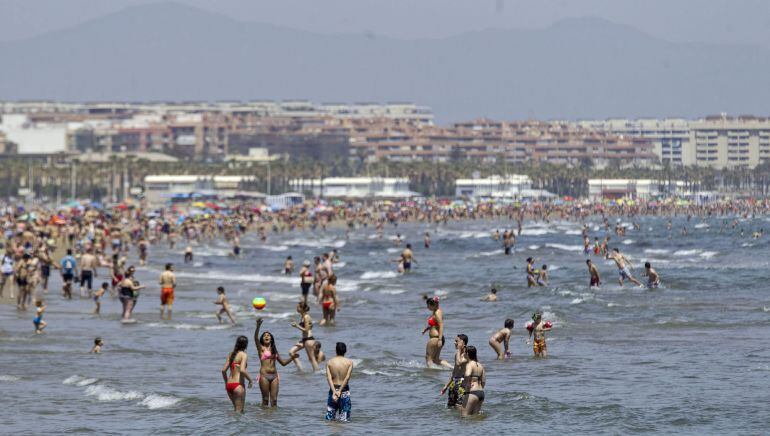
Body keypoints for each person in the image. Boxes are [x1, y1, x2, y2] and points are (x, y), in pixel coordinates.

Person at [253, 318, 295, 407]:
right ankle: (264, 418)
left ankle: (274, 419)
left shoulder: (274, 350)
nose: (267, 336)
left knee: (274, 400)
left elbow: (283, 363)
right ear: (262, 339)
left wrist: (293, 358)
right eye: (264, 335)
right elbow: (255, 338)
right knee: (265, 400)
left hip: (275, 376)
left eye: (268, 335)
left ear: (271, 339)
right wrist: (258, 326)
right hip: (264, 376)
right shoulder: (261, 349)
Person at [221, 335, 254, 413]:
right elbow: (242, 370)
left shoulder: (231, 354)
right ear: (246, 345)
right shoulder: (243, 355)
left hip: (229, 386)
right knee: (239, 412)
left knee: (235, 411)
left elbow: (223, 370)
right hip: (238, 386)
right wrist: (250, 380)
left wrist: (226, 383)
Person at [325, 342, 353, 422]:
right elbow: (347, 378)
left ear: (336, 350)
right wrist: (340, 391)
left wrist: (334, 391)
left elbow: (329, 378)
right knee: (344, 419)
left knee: (330, 417)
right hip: (344, 391)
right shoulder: (349, 362)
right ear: (345, 351)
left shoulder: (329, 362)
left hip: (333, 391)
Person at [288, 301, 320, 372]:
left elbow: (306, 330)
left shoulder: (306, 317)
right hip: (305, 339)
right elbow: (309, 327)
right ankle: (301, 369)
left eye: (298, 307)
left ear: (302, 308)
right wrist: (301, 340)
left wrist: (296, 326)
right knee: (291, 352)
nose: (296, 308)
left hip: (309, 340)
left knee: (311, 359)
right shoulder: (303, 316)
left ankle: (318, 373)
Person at [421, 296, 451, 368]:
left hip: (435, 338)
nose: (427, 307)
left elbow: (441, 325)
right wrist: (426, 329)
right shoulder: (436, 312)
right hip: (438, 338)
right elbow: (435, 324)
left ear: (433, 305)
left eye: (428, 305)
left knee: (428, 357)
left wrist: (440, 340)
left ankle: (430, 374)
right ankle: (452, 368)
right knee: (435, 360)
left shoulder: (437, 313)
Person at [440, 334, 468, 408]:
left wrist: (459, 349)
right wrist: (446, 386)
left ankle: (463, 419)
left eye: (456, 341)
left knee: (460, 406)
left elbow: (459, 363)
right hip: (454, 382)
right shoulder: (457, 355)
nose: (454, 343)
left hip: (463, 383)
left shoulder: (467, 354)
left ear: (463, 343)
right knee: (451, 406)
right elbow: (454, 371)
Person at [460, 346, 486, 417]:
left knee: (464, 417)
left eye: (465, 353)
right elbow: (483, 381)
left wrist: (466, 383)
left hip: (471, 393)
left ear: (467, 354)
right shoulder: (480, 365)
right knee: (475, 418)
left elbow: (467, 374)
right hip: (481, 393)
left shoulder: (469, 364)